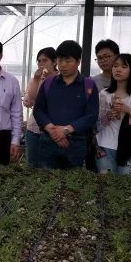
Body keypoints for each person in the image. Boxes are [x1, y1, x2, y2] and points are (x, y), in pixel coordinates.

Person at [33, 40, 99, 169]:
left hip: (75, 144)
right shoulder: (48, 83)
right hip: (48, 142)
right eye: (60, 60)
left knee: (72, 180)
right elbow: (38, 110)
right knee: (45, 179)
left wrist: (66, 130)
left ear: (78, 61)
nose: (63, 65)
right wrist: (53, 130)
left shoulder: (89, 85)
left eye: (68, 61)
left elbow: (92, 115)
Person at [95, 53, 131, 176]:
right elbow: (96, 124)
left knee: (128, 185)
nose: (118, 69)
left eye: (124, 67)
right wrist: (109, 115)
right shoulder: (104, 94)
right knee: (106, 184)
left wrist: (129, 111)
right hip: (105, 146)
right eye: (115, 66)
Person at [23, 47, 58, 167]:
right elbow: (29, 102)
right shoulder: (36, 79)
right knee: (32, 164)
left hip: (54, 129)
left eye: (45, 60)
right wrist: (36, 80)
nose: (41, 63)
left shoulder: (61, 80)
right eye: (39, 61)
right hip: (34, 129)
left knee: (49, 166)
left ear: (54, 62)